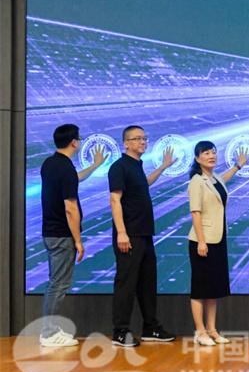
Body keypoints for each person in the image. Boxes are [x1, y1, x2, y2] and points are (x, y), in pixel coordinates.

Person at [108, 125, 177, 348]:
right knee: (126, 284)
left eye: (144, 138)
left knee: (147, 282)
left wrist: (163, 167)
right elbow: (115, 200)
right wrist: (121, 232)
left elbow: (144, 184)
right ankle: (120, 331)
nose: (142, 142)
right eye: (137, 139)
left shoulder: (136, 166)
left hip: (145, 233)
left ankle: (150, 327)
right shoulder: (119, 167)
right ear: (126, 143)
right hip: (129, 235)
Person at [39, 124, 107, 347]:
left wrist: (95, 165)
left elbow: (74, 178)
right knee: (58, 285)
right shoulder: (65, 168)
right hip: (61, 234)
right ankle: (48, 333)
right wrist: (78, 240)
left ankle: (50, 329)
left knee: (55, 283)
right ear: (74, 143)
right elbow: (70, 207)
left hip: (50, 232)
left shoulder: (51, 163)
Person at [187, 141, 248, 346]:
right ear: (197, 158)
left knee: (214, 287)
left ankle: (212, 329)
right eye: (206, 153)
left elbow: (224, 179)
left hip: (218, 238)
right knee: (200, 288)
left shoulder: (214, 178)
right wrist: (201, 241)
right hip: (202, 240)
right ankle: (200, 331)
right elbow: (195, 212)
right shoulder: (196, 181)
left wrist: (238, 166)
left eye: (213, 152)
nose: (211, 156)